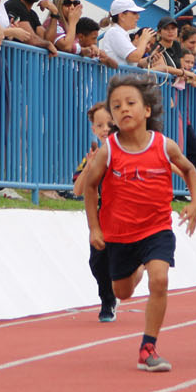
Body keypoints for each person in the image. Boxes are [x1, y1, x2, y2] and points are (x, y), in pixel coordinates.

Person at [82, 72, 196, 372]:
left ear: (147, 110)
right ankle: (137, 268)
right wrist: (94, 228)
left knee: (159, 280)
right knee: (122, 292)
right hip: (120, 234)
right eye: (116, 106)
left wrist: (195, 202)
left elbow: (189, 170)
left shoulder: (164, 145)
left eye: (130, 103)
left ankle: (148, 347)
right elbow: (90, 186)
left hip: (156, 228)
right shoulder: (109, 150)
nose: (123, 109)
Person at [73, 101, 120, 322]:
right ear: (93, 129)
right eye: (100, 125)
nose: (105, 129)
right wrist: (89, 168)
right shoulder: (93, 156)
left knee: (119, 260)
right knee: (97, 262)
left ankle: (114, 291)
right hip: (101, 217)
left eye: (109, 124)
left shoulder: (127, 153)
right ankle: (107, 300)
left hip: (125, 216)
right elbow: (77, 190)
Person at [101, 0, 154, 68]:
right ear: (122, 16)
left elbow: (133, 63)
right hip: (115, 75)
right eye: (134, 13)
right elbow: (134, 57)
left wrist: (150, 58)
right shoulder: (114, 32)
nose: (138, 17)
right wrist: (144, 40)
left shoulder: (121, 34)